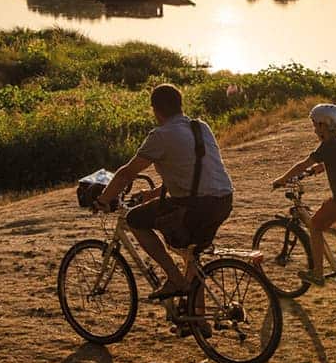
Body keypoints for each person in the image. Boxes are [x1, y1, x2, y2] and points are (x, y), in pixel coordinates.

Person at [96, 84, 234, 308]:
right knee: (192, 254)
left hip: (194, 206)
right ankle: (198, 320)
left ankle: (174, 278)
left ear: (155, 110)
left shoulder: (161, 135)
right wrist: (152, 194)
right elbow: (192, 173)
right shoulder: (201, 127)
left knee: (134, 220)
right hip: (223, 200)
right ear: (180, 105)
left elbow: (127, 173)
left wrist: (103, 199)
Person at [271, 103, 336, 287]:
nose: (314, 129)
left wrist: (283, 179)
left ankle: (317, 273)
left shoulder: (328, 145)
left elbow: (303, 164)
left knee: (316, 226)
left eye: (315, 124)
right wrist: (319, 168)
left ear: (323, 125)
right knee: (335, 212)